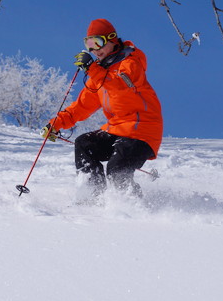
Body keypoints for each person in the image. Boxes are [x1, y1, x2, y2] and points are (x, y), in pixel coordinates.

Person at [41, 18, 163, 199]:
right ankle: (93, 195)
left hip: (142, 131)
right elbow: (81, 106)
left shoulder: (131, 61)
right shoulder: (98, 76)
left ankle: (132, 204)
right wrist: (56, 124)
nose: (94, 50)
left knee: (116, 169)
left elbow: (121, 85)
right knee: (84, 144)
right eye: (89, 44)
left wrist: (92, 69)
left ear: (112, 39)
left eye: (98, 42)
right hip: (117, 129)